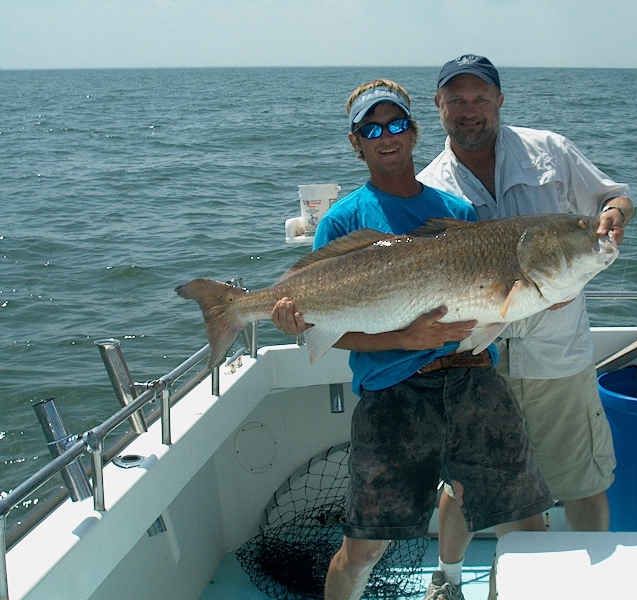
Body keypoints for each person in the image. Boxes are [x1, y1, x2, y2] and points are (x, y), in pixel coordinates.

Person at [271, 79, 552, 600]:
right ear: (356, 143)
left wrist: (542, 291)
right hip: (393, 395)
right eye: (371, 129)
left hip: (472, 380)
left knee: (527, 525)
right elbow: (333, 331)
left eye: (397, 123)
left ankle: (451, 581)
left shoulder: (457, 212)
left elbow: (495, 301)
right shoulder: (343, 220)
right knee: (362, 550)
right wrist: (405, 337)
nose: (387, 136)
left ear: (415, 131)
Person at [417, 54, 634, 593]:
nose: (471, 111)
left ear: (500, 101)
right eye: (457, 100)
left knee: (581, 482)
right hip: (474, 367)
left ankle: (593, 581)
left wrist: (614, 216)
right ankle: (450, 579)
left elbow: (613, 196)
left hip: (556, 360)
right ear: (439, 106)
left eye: (481, 99)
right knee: (468, 486)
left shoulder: (550, 150)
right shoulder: (428, 186)